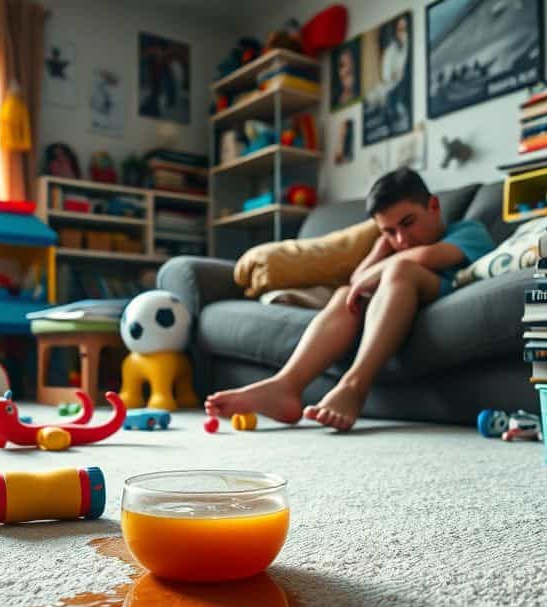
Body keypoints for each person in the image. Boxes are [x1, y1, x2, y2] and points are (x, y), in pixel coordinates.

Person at [205, 169, 493, 431]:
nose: (402, 239)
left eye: (408, 223)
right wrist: (381, 249)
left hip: (442, 294)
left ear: (432, 206)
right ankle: (286, 385)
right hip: (397, 301)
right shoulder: (392, 250)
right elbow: (357, 282)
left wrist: (385, 263)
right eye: (389, 231)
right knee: (345, 296)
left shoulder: (467, 231)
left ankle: (355, 386)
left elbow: (425, 257)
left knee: (401, 267)